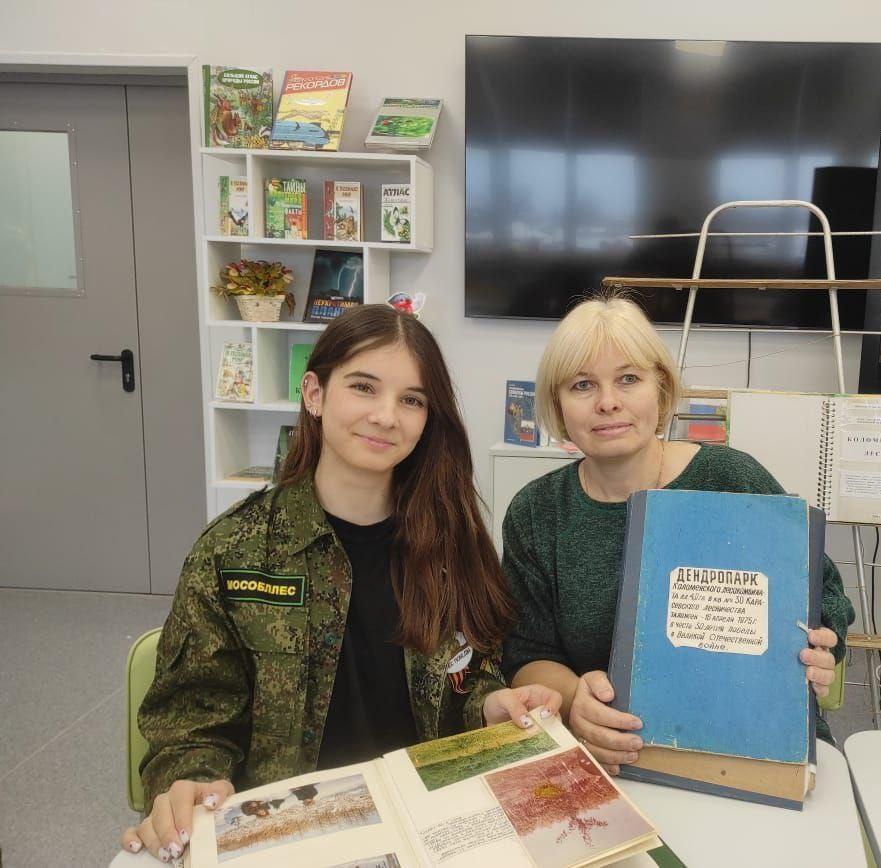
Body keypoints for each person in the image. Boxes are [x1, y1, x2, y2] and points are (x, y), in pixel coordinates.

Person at [122, 306, 560, 862]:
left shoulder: (455, 546)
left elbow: (469, 676)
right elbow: (190, 723)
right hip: (288, 837)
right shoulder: (233, 552)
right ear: (315, 394)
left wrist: (491, 704)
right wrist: (193, 779)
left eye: (412, 400)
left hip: (431, 831)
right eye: (363, 387)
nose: (386, 416)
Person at [502, 293, 855, 775]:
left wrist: (821, 650)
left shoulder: (731, 479)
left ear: (662, 389)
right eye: (583, 385)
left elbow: (823, 594)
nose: (608, 402)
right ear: (558, 405)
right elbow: (527, 652)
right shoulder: (536, 512)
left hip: (755, 749)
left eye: (629, 379)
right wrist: (574, 700)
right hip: (613, 757)